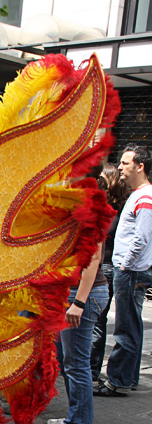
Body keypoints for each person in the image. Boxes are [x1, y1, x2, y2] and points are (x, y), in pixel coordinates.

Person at [35, 245, 109, 424]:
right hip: (74, 293)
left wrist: (79, 303)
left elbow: (92, 259)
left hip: (81, 295)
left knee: (76, 365)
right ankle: (78, 419)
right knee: (69, 363)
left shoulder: (90, 213)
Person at [95, 145, 152, 396]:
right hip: (131, 270)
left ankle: (117, 380)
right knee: (131, 327)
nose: (120, 167)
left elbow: (141, 237)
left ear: (139, 166)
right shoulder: (139, 194)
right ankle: (127, 377)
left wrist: (124, 264)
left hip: (130, 271)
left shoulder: (144, 196)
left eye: (125, 163)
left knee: (126, 328)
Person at [90, 163, 130, 385]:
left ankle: (92, 372)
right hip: (106, 268)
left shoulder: (109, 211)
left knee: (98, 323)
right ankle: (91, 370)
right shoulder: (111, 209)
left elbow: (96, 253)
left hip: (105, 268)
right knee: (99, 323)